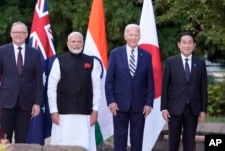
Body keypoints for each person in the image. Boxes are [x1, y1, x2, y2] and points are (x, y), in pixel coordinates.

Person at [47, 31, 102, 151]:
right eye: (73, 41)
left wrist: (95, 109)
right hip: (62, 113)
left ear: (83, 43)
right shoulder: (59, 61)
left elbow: (97, 87)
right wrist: (53, 110)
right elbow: (51, 87)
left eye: (79, 41)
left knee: (84, 143)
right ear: (68, 43)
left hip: (85, 113)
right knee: (62, 144)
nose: (76, 44)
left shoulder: (91, 62)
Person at [0, 21, 43, 143]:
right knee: (5, 138)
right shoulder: (2, 51)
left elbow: (39, 80)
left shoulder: (34, 53)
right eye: (15, 32)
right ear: (11, 34)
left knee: (22, 139)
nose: (18, 35)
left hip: (26, 103)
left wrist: (37, 103)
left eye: (21, 32)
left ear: (26, 34)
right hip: (6, 102)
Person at [105, 23, 154, 151]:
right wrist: (111, 101)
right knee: (120, 139)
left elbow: (149, 82)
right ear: (125, 36)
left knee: (137, 139)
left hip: (140, 104)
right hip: (119, 104)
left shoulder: (146, 55)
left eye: (136, 35)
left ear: (139, 37)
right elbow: (109, 80)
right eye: (130, 34)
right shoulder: (116, 54)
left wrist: (149, 103)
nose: (133, 37)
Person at [161, 31, 208, 151]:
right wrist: (164, 107)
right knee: (173, 142)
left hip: (193, 109)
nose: (187, 45)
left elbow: (203, 88)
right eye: (184, 43)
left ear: (194, 45)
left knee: (189, 142)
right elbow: (165, 86)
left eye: (190, 43)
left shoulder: (200, 63)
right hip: (174, 109)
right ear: (179, 44)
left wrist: (203, 109)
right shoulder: (171, 62)